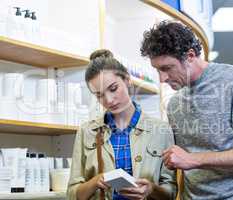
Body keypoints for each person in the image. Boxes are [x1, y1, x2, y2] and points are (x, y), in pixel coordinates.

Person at [140, 21, 233, 200]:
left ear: (190, 56)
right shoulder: (174, 104)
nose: (162, 78)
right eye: (157, 70)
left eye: (166, 68)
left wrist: (193, 159)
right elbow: (182, 162)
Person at [67, 49, 176, 200]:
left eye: (113, 89)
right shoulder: (87, 131)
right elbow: (72, 194)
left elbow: (171, 192)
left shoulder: (161, 130)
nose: (109, 100)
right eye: (99, 95)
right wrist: (94, 182)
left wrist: (151, 189)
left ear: (127, 80)